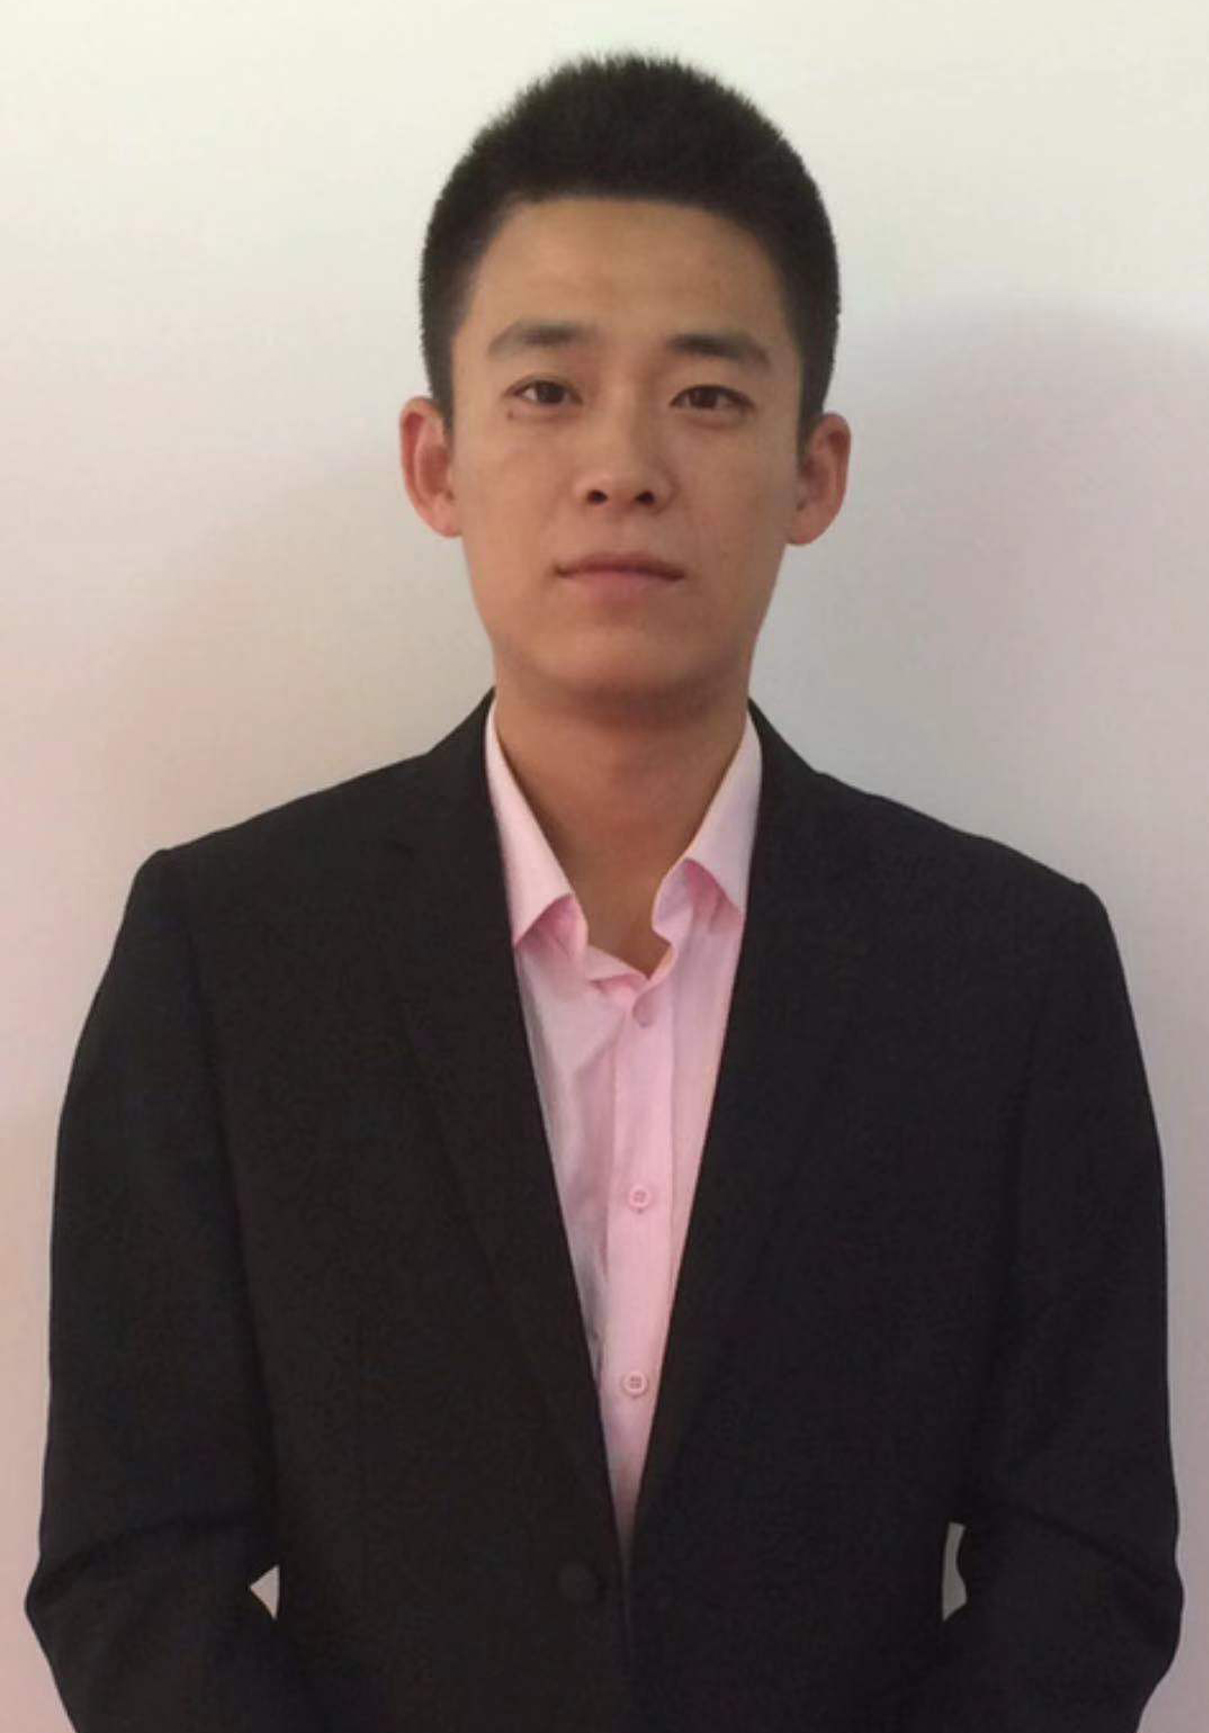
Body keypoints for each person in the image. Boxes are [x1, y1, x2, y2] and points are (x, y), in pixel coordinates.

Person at [25, 47, 1182, 1733]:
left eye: (705, 395)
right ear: (436, 461)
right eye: (547, 389)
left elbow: (1085, 1561)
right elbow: (133, 1564)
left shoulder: (1008, 975)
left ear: (812, 469)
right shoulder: (226, 954)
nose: (622, 463)